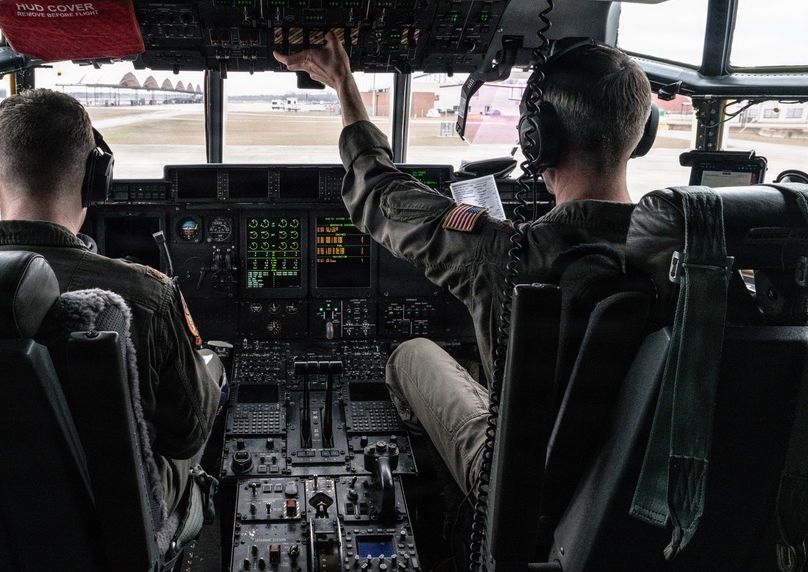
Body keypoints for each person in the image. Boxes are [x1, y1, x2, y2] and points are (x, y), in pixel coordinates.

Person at [274, 32, 652, 496]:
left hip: (516, 489)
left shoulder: (508, 254)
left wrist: (343, 83)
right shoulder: (686, 257)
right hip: (624, 496)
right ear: (641, 135)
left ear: (538, 139)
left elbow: (379, 194)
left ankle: (440, 499)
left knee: (411, 354)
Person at [0, 88, 220, 513]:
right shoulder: (145, 295)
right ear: (95, 179)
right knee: (211, 378)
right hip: (112, 519)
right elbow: (188, 435)